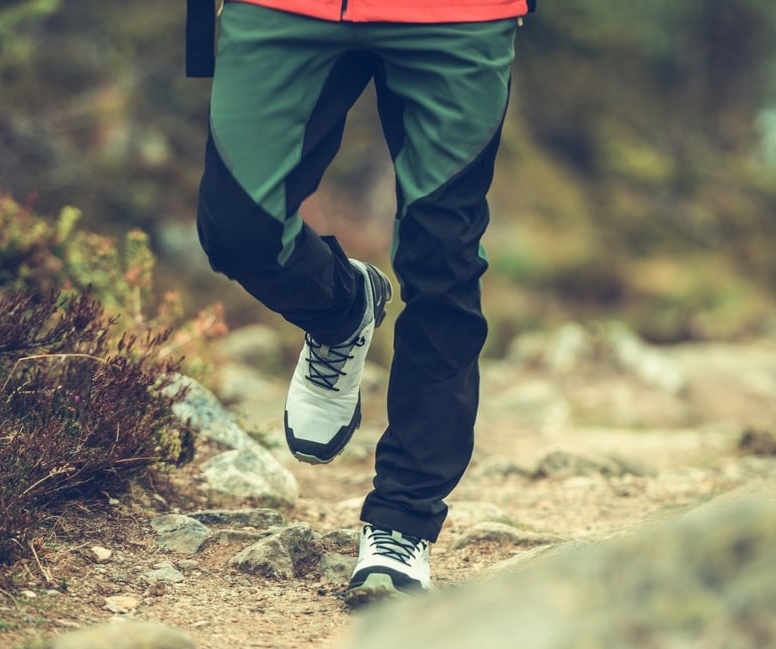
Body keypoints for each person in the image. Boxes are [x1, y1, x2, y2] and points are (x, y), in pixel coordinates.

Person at [194, 0, 534, 604]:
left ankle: (402, 521)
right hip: (283, 9)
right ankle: (342, 309)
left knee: (443, 263)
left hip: (457, 17)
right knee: (239, 230)